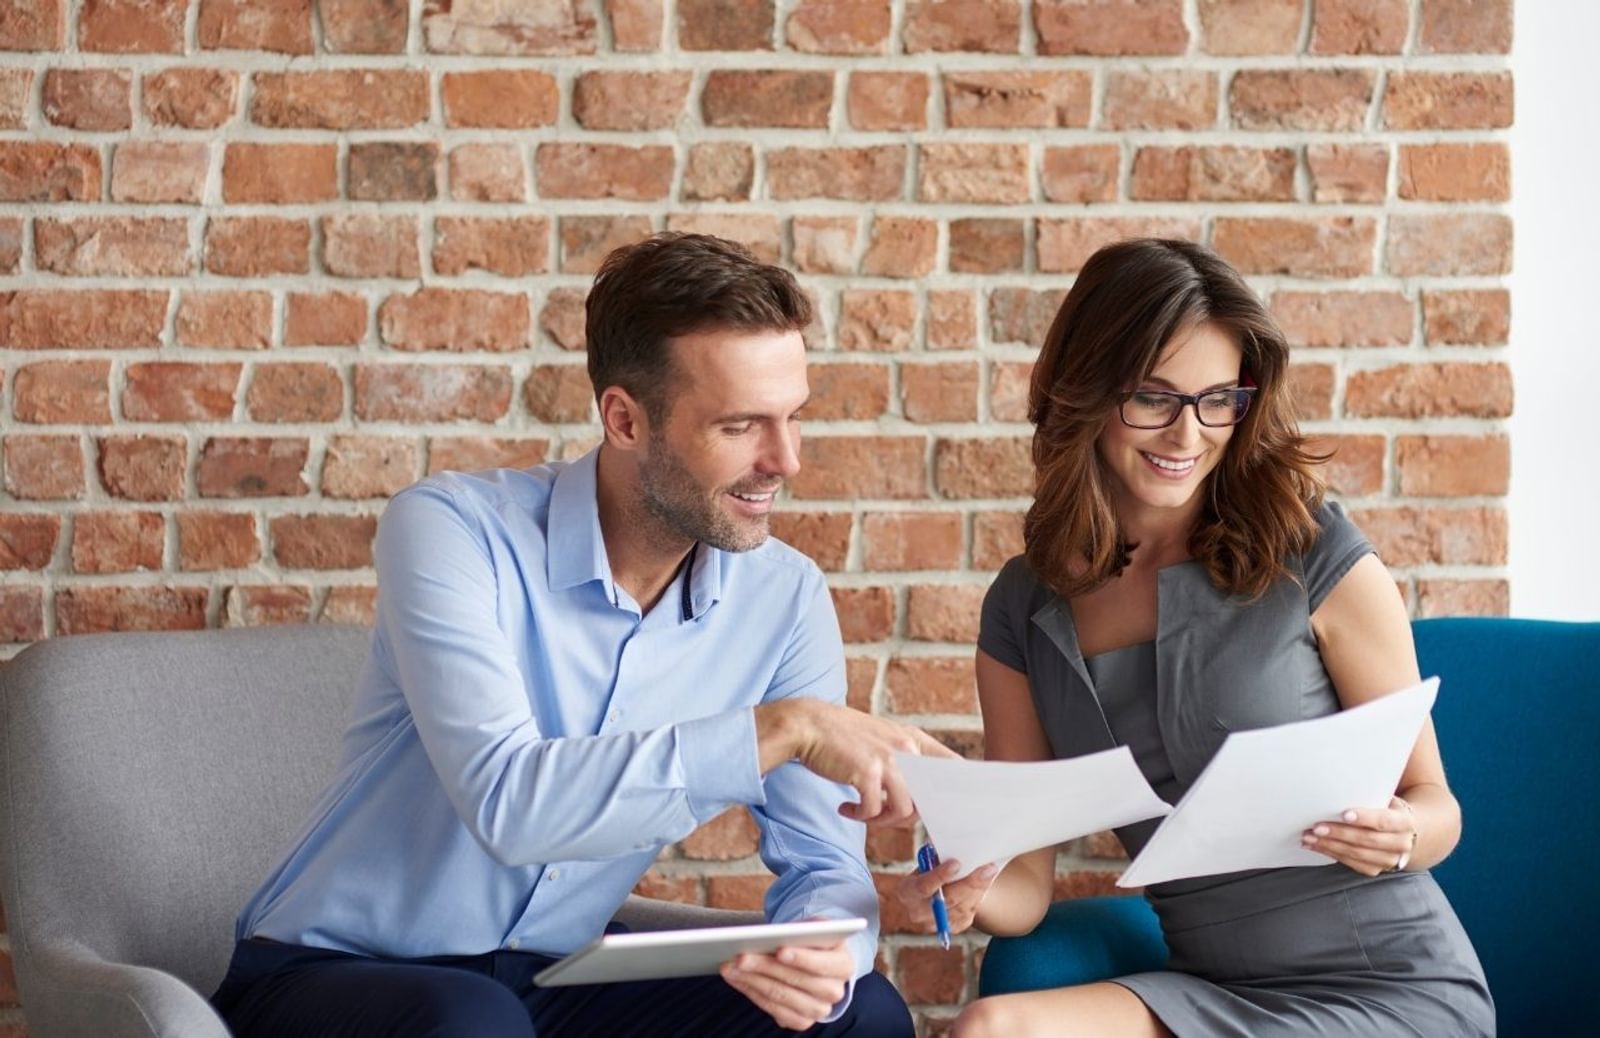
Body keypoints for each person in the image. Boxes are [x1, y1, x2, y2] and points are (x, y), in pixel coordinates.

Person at [210, 233, 950, 1037]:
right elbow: (510, 804)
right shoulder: (453, 530)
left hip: (560, 978)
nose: (786, 461)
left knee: (861, 1015)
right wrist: (785, 729)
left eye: (792, 418)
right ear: (625, 419)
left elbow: (823, 862)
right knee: (472, 1020)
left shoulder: (785, 597)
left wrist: (824, 952)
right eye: (741, 426)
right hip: (336, 974)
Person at [895, 238, 1494, 1037]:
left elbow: (1438, 808)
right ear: (1087, 391)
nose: (1188, 434)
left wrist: (1400, 834)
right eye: (1154, 397)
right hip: (1214, 989)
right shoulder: (1022, 608)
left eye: (1219, 399)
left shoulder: (1315, 552)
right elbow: (1027, 881)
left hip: (1392, 986)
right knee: (990, 1029)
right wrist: (964, 887)